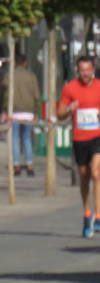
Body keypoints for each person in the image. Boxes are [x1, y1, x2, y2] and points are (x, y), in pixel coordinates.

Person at [57, 55, 100, 238]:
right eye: (82, 70)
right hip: (80, 138)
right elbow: (59, 114)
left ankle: (98, 216)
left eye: (88, 70)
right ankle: (86, 213)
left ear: (93, 70)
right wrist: (69, 109)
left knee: (96, 173)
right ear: (78, 71)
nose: (85, 73)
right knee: (84, 177)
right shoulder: (70, 88)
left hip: (97, 136)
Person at [1, 53, 41, 177]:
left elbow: (5, 94)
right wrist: (36, 111)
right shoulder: (31, 76)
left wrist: (5, 110)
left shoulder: (9, 76)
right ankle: (29, 165)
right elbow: (36, 96)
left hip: (14, 112)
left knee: (15, 139)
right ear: (25, 63)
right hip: (28, 112)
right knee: (27, 138)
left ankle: (16, 165)